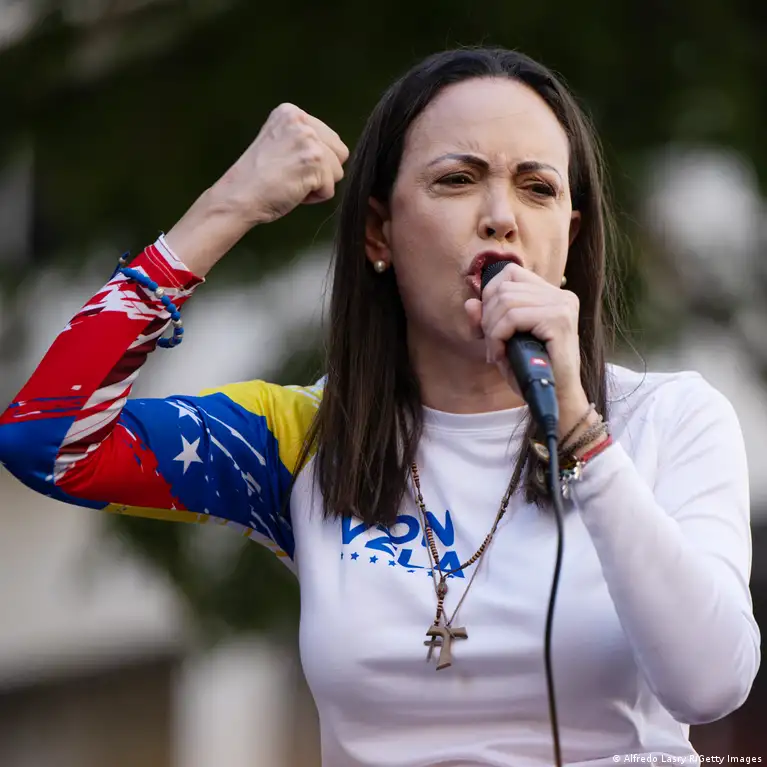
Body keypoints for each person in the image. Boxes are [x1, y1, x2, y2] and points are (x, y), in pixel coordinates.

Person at [0, 47, 760, 767]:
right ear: (378, 232)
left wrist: (581, 431)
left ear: (570, 234)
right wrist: (226, 209)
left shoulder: (667, 419)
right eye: (457, 179)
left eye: (538, 188)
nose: (502, 215)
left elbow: (711, 684)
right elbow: (46, 438)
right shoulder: (309, 435)